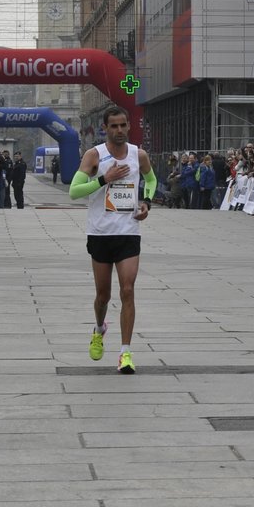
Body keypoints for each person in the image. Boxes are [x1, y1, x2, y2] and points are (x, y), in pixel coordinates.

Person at [70, 106, 156, 374]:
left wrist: (147, 203)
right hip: (100, 233)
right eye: (114, 126)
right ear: (105, 128)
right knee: (103, 295)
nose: (119, 131)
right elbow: (74, 191)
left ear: (128, 126)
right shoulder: (94, 155)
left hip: (128, 231)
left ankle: (125, 353)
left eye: (123, 125)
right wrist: (103, 179)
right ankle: (99, 328)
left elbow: (151, 179)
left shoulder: (137, 154)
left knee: (127, 290)